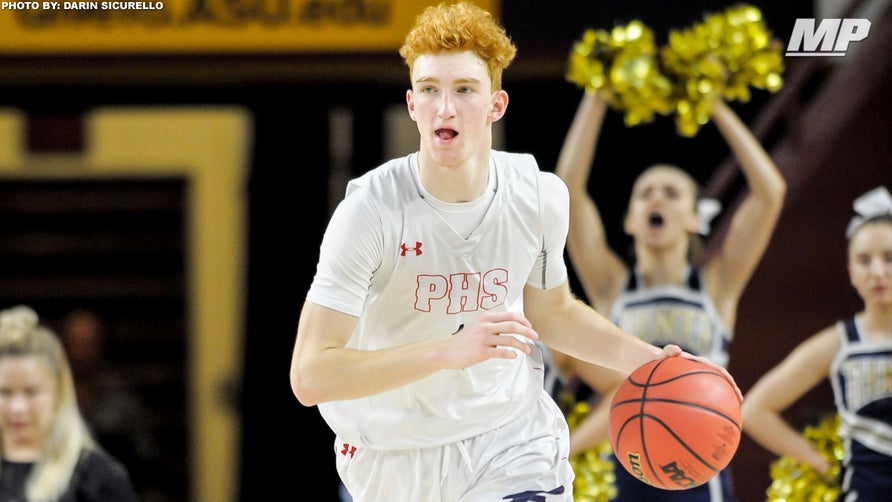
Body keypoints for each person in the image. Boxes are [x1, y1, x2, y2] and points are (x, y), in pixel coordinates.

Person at [288, 2, 740, 501]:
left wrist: (653, 361)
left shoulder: (537, 195)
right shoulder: (369, 212)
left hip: (511, 440)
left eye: (463, 90)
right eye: (430, 91)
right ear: (412, 105)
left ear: (496, 105)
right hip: (394, 457)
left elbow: (553, 313)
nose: (445, 108)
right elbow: (310, 375)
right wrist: (447, 351)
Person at [552, 89, 786, 502]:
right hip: (626, 461)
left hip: (698, 465)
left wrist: (714, 103)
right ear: (628, 220)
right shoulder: (611, 285)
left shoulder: (717, 284)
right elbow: (567, 189)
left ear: (696, 218)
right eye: (645, 193)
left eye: (672, 193)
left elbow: (770, 192)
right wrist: (597, 96)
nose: (656, 198)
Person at [741, 186, 892, 501]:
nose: (878, 272)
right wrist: (820, 462)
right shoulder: (840, 343)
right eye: (864, 260)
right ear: (851, 273)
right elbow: (754, 410)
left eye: (889, 258)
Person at [0, 305, 140, 502]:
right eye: (5, 392)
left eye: (32, 392)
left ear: (58, 393)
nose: (18, 408)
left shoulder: (100, 477)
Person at [59, 309, 165, 502]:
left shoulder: (122, 402)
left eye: (88, 344)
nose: (81, 353)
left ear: (100, 345)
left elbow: (146, 469)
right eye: (76, 344)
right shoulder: (46, 403)